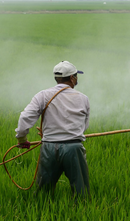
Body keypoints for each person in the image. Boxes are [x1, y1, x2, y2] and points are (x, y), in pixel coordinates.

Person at [15, 61, 90, 198]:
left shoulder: (42, 95)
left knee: (43, 193)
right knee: (81, 192)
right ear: (72, 78)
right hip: (74, 148)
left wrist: (22, 139)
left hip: (49, 147)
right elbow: (84, 126)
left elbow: (25, 117)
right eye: (76, 76)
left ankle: (41, 211)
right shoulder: (83, 99)